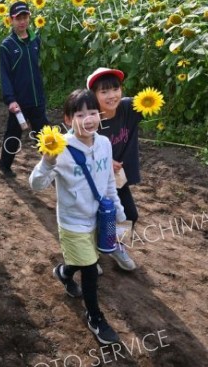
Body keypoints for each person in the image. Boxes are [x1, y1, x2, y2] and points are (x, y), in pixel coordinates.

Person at [29, 89, 125, 344]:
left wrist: (117, 209)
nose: (88, 119)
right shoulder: (60, 148)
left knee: (86, 260)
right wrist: (47, 162)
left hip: (97, 217)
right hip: (72, 222)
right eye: (80, 114)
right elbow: (36, 185)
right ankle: (95, 317)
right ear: (68, 120)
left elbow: (107, 182)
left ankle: (63, 272)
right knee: (91, 269)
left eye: (93, 112)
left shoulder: (104, 144)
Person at [87, 67, 139, 271]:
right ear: (94, 96)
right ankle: (89, 256)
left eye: (115, 89)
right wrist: (105, 160)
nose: (111, 95)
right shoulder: (89, 119)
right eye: (104, 91)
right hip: (92, 179)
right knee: (92, 217)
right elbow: (74, 145)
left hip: (117, 179)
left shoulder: (129, 108)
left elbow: (150, 100)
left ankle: (115, 245)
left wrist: (151, 100)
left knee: (129, 215)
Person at [0, 1, 49, 178]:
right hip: (18, 101)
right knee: (13, 134)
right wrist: (10, 99)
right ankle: (4, 164)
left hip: (37, 99)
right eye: (18, 18)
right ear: (11, 20)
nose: (22, 22)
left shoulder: (35, 39)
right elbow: (5, 75)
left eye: (25, 17)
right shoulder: (7, 46)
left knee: (43, 134)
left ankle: (51, 167)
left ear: (29, 18)